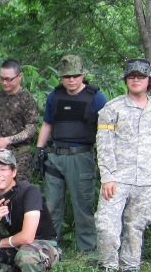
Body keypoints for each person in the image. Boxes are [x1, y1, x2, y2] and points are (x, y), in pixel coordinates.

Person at [95, 59, 151, 272]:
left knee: (136, 226)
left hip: (146, 180)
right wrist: (107, 177)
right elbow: (104, 144)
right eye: (131, 76)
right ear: (126, 80)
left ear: (149, 81)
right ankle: (108, 266)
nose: (136, 80)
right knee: (106, 224)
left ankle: (130, 267)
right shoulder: (113, 108)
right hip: (117, 179)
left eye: (141, 77)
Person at [34, 54, 107, 256]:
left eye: (75, 75)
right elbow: (47, 124)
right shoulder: (54, 96)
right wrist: (39, 150)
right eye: (67, 76)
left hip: (81, 157)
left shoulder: (96, 97)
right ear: (61, 77)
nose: (71, 80)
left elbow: (108, 128)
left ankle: (88, 250)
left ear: (83, 75)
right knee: (51, 205)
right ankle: (48, 247)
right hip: (55, 156)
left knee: (83, 205)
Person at [0, 59, 39, 185]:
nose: (4, 82)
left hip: (19, 155)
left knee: (19, 190)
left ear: (19, 76)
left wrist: (8, 140)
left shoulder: (27, 100)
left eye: (8, 79)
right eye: (1, 78)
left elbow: (31, 129)